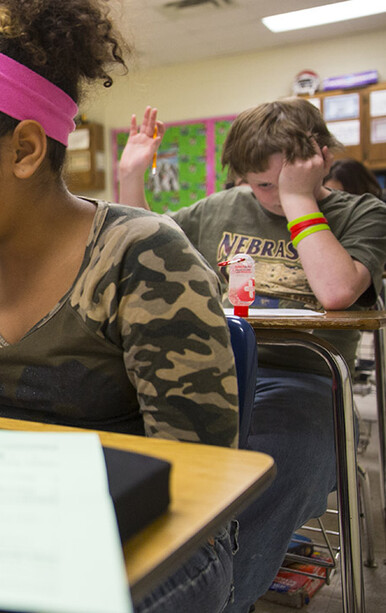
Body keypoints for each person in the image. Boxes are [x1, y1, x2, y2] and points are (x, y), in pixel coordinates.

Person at [0, 2, 238, 611]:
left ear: (25, 150)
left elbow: (201, 482)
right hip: (12, 516)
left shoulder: (142, 257)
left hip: (157, 527)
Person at [118, 100, 386, 612]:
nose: (266, 198)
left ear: (320, 159)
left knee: (264, 476)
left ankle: (219, 600)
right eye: (256, 185)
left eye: (276, 184)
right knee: (153, 465)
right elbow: (147, 249)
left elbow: (335, 290)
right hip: (219, 371)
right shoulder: (223, 206)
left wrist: (298, 199)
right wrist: (132, 178)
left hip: (310, 384)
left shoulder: (362, 213)